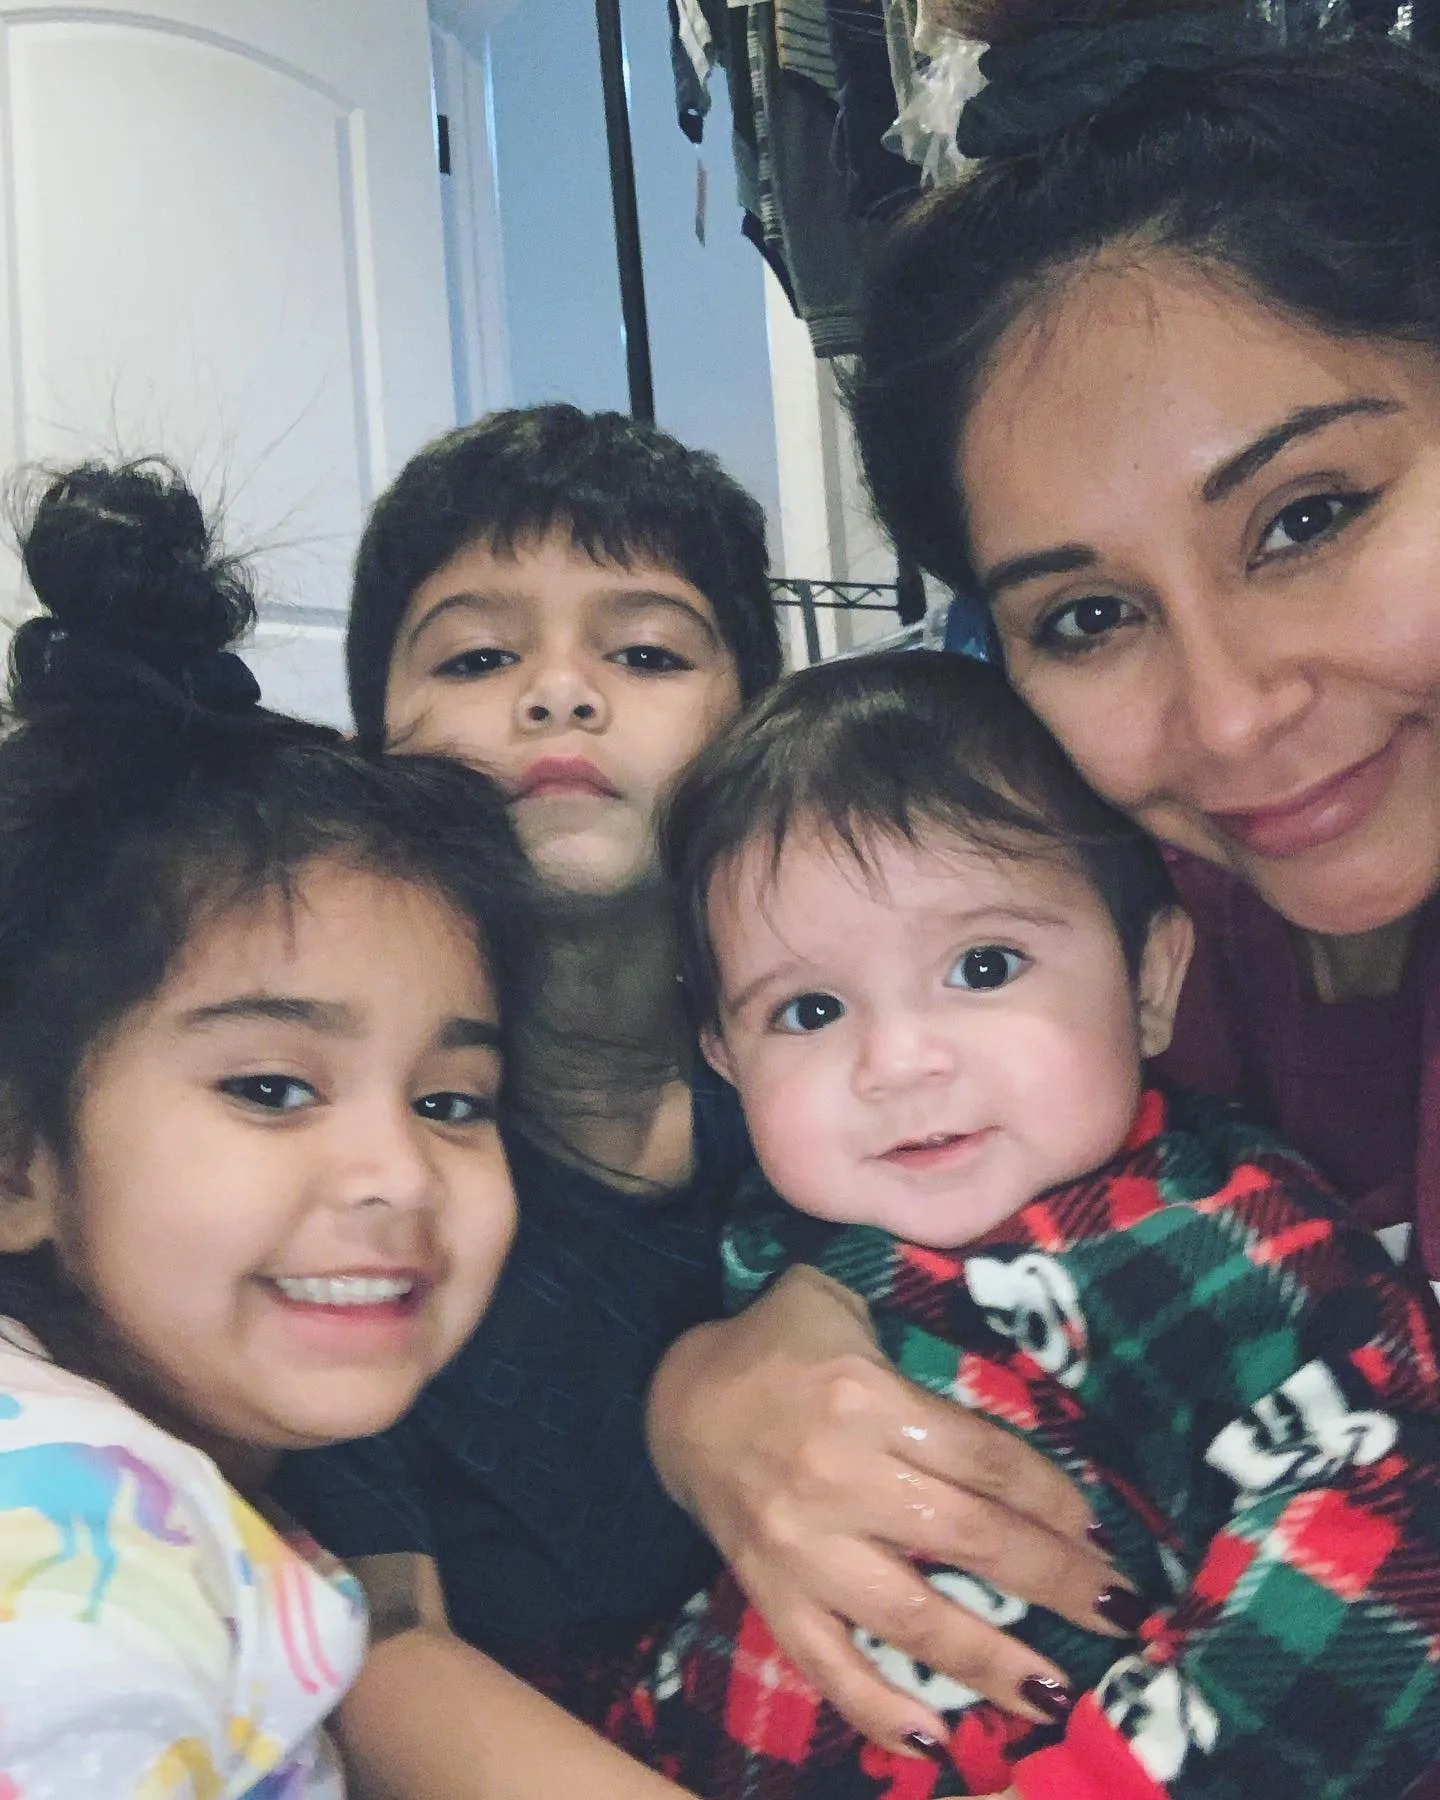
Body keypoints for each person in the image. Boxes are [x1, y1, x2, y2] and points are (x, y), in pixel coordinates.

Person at [637, 3, 1440, 1771]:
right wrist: (716, 1386)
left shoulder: (1224, 1236)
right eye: (1085, 615)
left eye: (1309, 516)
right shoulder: (1118, 913)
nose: (1231, 715)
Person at [609, 649, 1440, 1800]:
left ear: (1150, 983)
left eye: (985, 965)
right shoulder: (772, 1232)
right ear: (723, 1056)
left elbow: (1382, 1565)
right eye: (808, 1009)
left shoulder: (1222, 1240)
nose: (897, 1061)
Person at [0, 459, 702, 1800]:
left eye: (452, 1103)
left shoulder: (186, 1494)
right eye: (270, 1088)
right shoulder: (78, 1565)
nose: (397, 1175)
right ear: (16, 1158)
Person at [271, 405, 797, 1786]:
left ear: (755, 723)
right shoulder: (346, 1173)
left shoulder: (853, 1062)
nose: (560, 695)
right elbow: (383, 1642)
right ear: (375, 739)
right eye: (478, 656)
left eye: (646, 652)